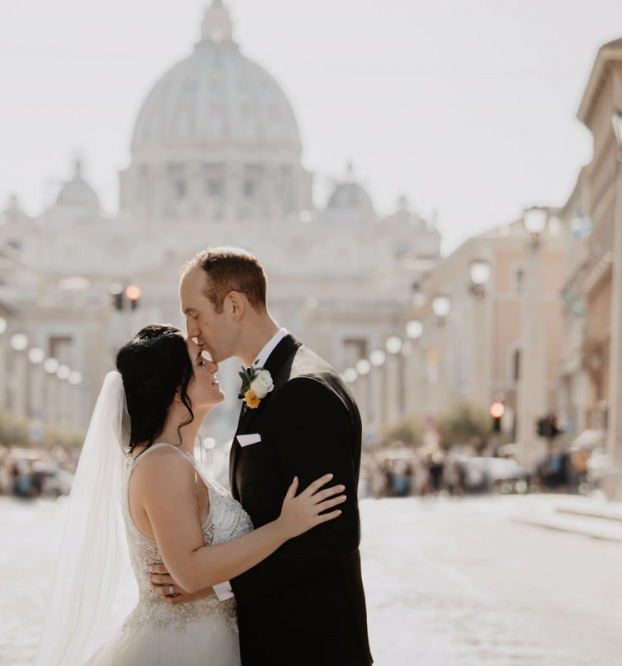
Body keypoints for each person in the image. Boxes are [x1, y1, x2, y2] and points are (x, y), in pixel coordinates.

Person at [40, 324, 345, 665]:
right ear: (174, 388)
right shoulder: (163, 464)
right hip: (182, 647)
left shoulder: (174, 459)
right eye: (201, 362)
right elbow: (190, 572)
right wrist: (285, 527)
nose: (214, 366)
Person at [151, 247, 373, 664]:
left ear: (233, 305)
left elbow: (332, 534)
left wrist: (214, 586)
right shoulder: (276, 379)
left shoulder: (302, 389)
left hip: (311, 645)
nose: (191, 331)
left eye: (195, 313)